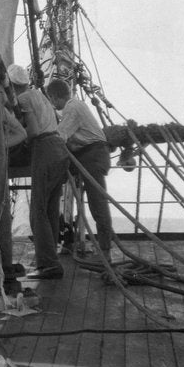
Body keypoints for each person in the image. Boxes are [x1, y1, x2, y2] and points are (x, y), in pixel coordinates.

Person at [10, 64, 69, 280]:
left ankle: (48, 264)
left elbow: (33, 131)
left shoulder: (24, 99)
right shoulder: (41, 95)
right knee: (51, 209)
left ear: (11, 85)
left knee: (38, 212)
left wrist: (13, 135)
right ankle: (50, 257)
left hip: (44, 150)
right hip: (60, 150)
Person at [45, 79, 114, 262]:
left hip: (92, 156)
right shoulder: (76, 105)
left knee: (97, 203)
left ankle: (105, 250)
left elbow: (59, 136)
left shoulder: (72, 108)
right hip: (90, 154)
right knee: (95, 201)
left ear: (53, 97)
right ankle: (65, 232)